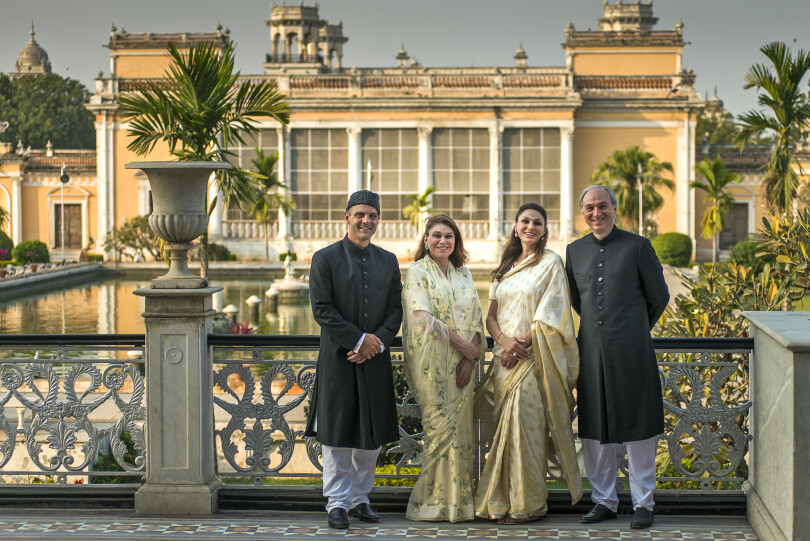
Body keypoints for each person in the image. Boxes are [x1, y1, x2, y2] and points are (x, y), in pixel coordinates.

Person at [564, 185, 669, 530]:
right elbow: (578, 301)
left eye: (603, 206)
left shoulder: (638, 246)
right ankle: (604, 500)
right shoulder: (574, 251)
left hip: (633, 353)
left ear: (614, 207)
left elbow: (659, 296)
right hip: (590, 353)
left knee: (638, 430)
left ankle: (643, 504)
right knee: (595, 430)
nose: (597, 213)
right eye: (590, 208)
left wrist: (633, 329)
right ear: (583, 212)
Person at [474, 202, 582, 524]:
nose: (530, 227)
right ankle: (499, 501)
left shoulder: (550, 263)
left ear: (545, 229)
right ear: (515, 226)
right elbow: (490, 317)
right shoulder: (505, 266)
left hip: (533, 363)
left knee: (525, 432)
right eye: (525, 221)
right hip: (503, 363)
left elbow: (554, 315)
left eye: (537, 222)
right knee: (504, 434)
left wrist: (519, 345)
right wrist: (504, 343)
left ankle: (528, 505)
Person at [304, 190, 403, 530]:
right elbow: (321, 309)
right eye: (360, 214)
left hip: (374, 359)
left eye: (372, 215)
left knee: (370, 437)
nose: (366, 221)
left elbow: (395, 310)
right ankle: (336, 502)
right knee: (338, 434)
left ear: (378, 219)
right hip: (338, 358)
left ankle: (361, 498)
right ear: (346, 217)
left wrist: (376, 343)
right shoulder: (325, 258)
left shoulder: (388, 261)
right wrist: (358, 340)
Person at [402, 214, 486, 523]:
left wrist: (469, 357)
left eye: (449, 236)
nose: (442, 241)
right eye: (436, 235)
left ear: (456, 241)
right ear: (425, 240)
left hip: (463, 370)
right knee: (439, 436)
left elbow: (477, 318)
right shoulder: (416, 273)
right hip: (433, 370)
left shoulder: (463, 274)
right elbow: (421, 317)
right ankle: (429, 504)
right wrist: (463, 347)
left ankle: (458, 506)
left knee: (461, 437)